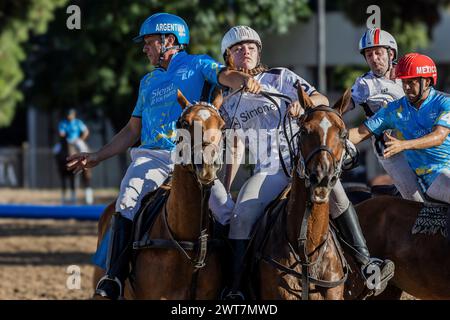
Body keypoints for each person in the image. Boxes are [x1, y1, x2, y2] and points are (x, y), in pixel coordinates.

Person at [66, 13, 261, 300]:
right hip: (151, 157)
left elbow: (224, 75)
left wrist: (244, 79)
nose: (144, 49)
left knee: (226, 210)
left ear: (168, 40)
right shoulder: (147, 81)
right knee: (127, 197)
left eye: (148, 42)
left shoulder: (197, 64)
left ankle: (236, 287)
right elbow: (133, 129)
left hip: (191, 158)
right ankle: (114, 279)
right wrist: (98, 155)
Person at [210, 26, 393, 300]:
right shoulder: (228, 100)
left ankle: (367, 265)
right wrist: (226, 184)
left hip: (301, 161)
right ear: (228, 58)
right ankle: (237, 288)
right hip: (268, 170)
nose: (245, 52)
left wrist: (302, 104)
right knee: (241, 218)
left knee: (339, 198)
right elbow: (235, 146)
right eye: (237, 49)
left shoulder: (281, 76)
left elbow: (319, 99)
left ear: (258, 51)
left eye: (250, 47)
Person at [349, 53, 450, 204]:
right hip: (433, 175)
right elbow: (359, 133)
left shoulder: (445, 103)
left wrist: (403, 145)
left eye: (412, 82)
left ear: (427, 81)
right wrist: (328, 136)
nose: (406, 88)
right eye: (403, 82)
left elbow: (439, 136)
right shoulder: (393, 109)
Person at [346, 28, 423, 201]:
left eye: (378, 53)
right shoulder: (365, 84)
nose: (374, 58)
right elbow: (343, 106)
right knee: (417, 202)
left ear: (391, 53)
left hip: (419, 144)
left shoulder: (410, 73)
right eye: (368, 54)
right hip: (392, 153)